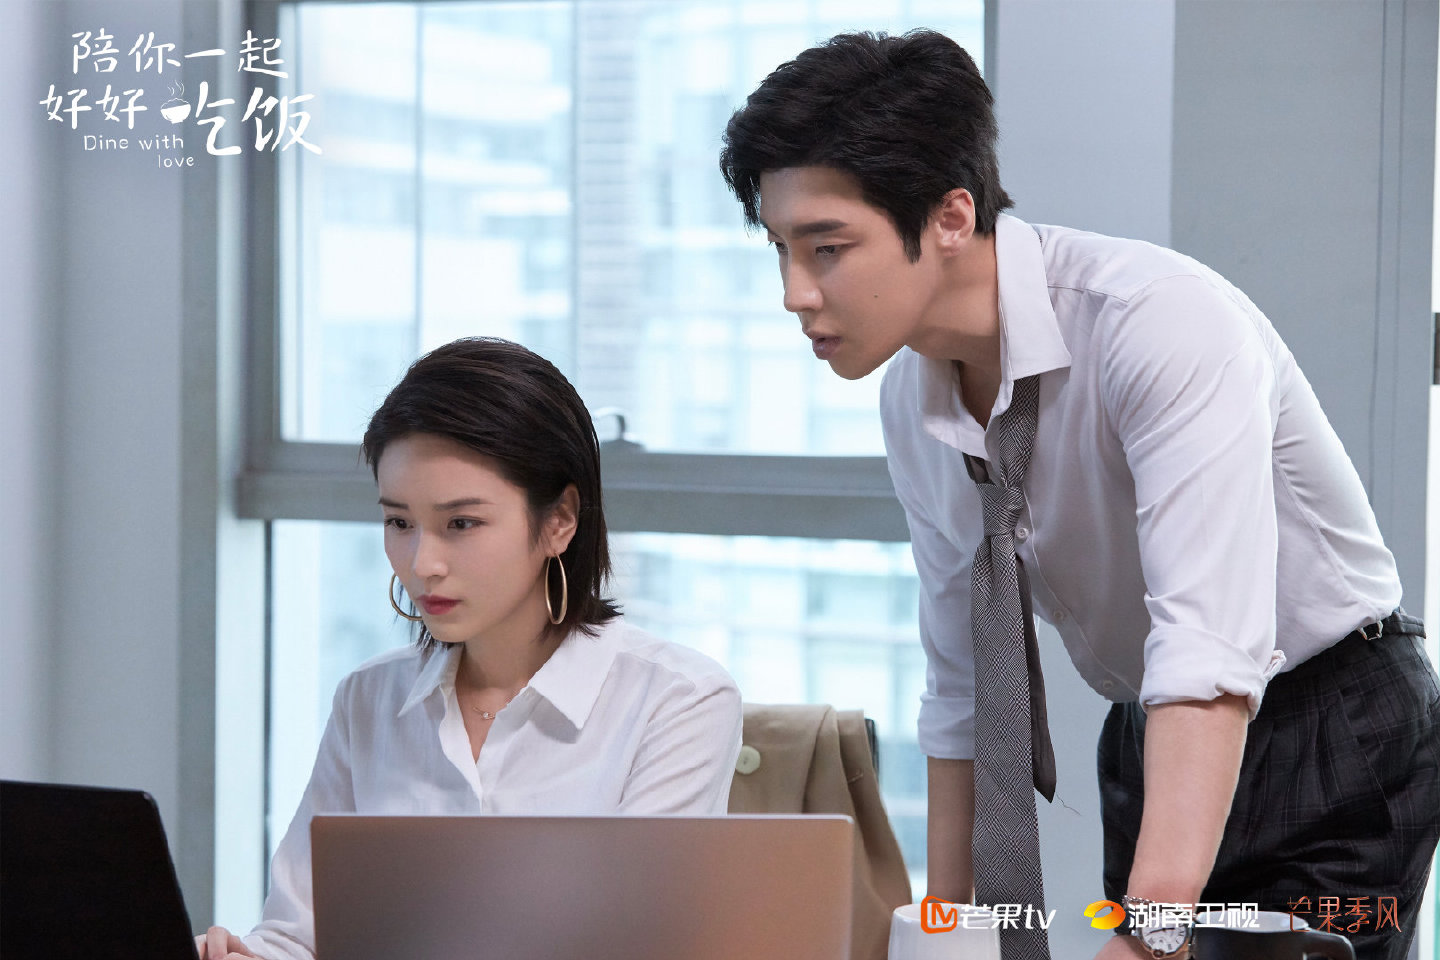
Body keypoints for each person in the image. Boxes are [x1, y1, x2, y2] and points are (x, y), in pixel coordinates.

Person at [718, 28, 1440, 960]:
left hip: (1328, 725)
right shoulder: (912, 399)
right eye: (780, 248)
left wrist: (1148, 938)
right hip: (1149, 729)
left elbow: (1207, 646)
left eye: (827, 248)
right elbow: (963, 683)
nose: (794, 293)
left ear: (950, 217)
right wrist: (950, 931)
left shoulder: (1157, 324)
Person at [197, 337, 743, 960]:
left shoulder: (678, 702)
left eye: (461, 523)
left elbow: (636, 949)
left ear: (560, 519)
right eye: (399, 522)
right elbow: (299, 936)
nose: (422, 563)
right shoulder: (368, 700)